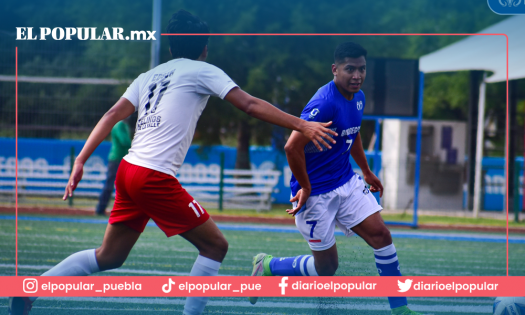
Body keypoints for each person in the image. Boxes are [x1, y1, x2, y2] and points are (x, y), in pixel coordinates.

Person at [7, 9, 338, 315]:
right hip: (151, 176)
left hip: (128, 170)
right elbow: (249, 104)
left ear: (169, 47)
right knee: (215, 246)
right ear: (204, 48)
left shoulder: (147, 76)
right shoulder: (203, 70)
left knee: (109, 256)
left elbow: (111, 115)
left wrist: (81, 159)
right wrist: (302, 124)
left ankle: (29, 290)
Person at [249, 42, 427, 315]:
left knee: (382, 235)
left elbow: (351, 133)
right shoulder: (323, 102)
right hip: (316, 194)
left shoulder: (358, 97)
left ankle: (401, 310)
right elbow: (291, 147)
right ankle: (270, 265)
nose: (357, 75)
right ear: (335, 69)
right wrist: (305, 186)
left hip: (346, 181)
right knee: (327, 269)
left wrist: (366, 171)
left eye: (362, 69)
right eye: (350, 69)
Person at [95, 119, 131, 216]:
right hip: (116, 159)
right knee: (110, 184)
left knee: (126, 186)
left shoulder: (124, 125)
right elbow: (124, 141)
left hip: (123, 159)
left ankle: (125, 210)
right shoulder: (119, 125)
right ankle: (100, 208)